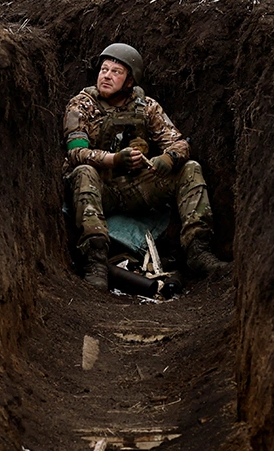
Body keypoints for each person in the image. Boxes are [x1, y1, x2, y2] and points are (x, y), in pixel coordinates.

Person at [63, 42, 229, 289]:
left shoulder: (146, 107)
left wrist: (169, 158)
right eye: (104, 70)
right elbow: (75, 152)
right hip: (99, 188)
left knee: (190, 168)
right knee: (84, 172)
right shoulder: (81, 104)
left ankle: (197, 250)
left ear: (130, 81)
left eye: (116, 72)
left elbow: (179, 142)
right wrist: (114, 159)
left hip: (135, 186)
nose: (106, 76)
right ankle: (95, 261)